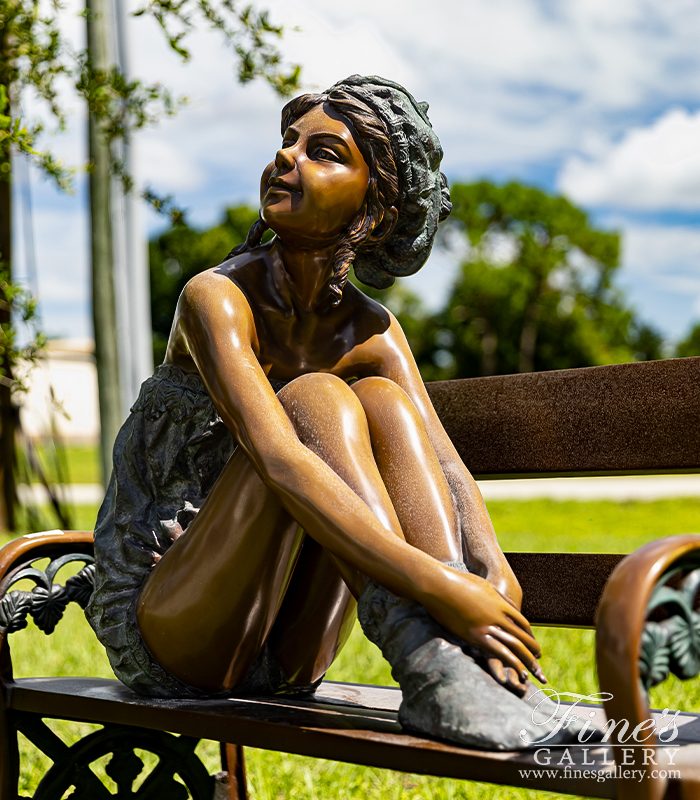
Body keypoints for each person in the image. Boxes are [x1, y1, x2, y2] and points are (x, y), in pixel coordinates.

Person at [86, 75, 576, 750]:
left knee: (380, 399)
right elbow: (282, 461)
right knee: (315, 398)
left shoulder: (371, 331)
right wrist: (437, 585)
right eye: (288, 142)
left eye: (323, 151)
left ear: (372, 212)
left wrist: (489, 578)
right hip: (174, 630)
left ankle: (467, 674)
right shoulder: (218, 299)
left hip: (289, 652)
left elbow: (444, 467)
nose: (289, 157)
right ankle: (428, 664)